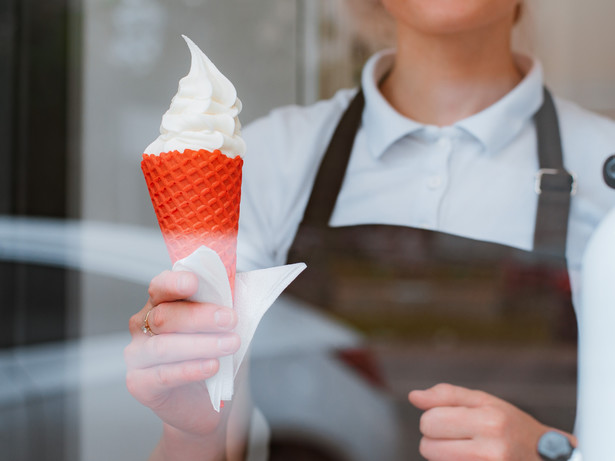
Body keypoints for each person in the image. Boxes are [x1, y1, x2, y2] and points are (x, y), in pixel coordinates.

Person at [124, 0, 615, 459]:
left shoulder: (604, 166)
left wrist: (555, 451)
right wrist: (190, 429)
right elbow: (214, 437)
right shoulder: (272, 158)